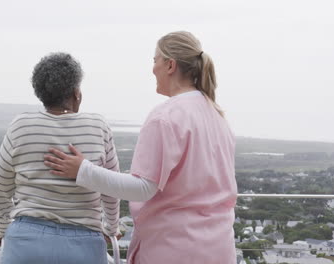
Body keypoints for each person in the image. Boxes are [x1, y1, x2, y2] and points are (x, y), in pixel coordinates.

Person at [44, 31, 238, 264]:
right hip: (219, 249)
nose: (152, 68)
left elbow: (143, 188)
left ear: (170, 65)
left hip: (173, 249)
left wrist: (82, 170)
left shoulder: (166, 116)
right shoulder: (216, 115)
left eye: (155, 60)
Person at [0, 52, 121, 264]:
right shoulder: (98, 126)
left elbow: (1, 189)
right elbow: (111, 187)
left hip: (25, 242)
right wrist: (111, 228)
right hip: (84, 243)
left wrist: (3, 230)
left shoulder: (20, 126)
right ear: (76, 93)